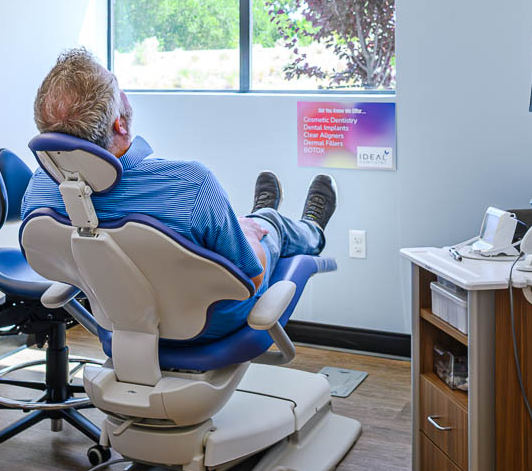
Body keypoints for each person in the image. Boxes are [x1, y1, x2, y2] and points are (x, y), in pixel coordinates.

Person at [20, 48, 337, 343]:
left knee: (224, 229)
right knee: (268, 227)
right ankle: (309, 229)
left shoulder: (38, 191)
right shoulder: (191, 185)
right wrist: (251, 237)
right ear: (119, 123)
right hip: (210, 325)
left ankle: (253, 220)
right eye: (118, 89)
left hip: (119, 323)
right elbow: (250, 281)